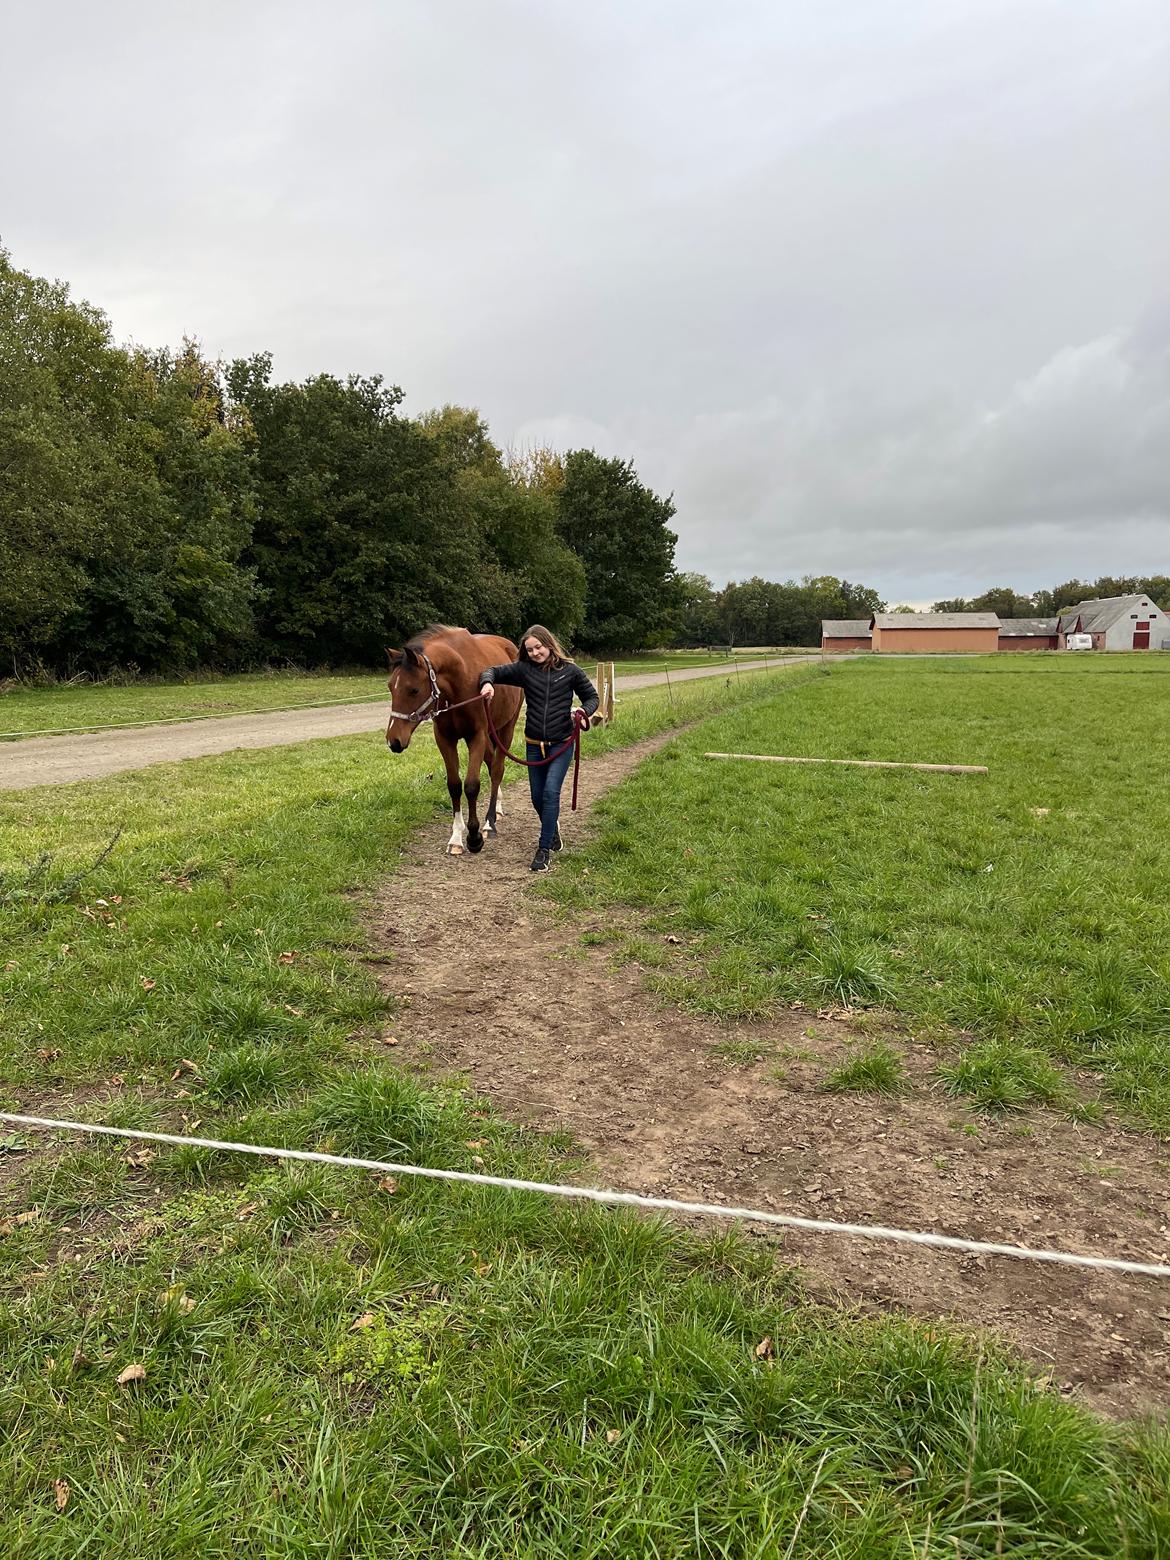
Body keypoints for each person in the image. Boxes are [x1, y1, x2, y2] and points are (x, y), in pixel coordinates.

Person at [479, 625, 599, 872]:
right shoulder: (523, 670)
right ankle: (551, 827)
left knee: (550, 793)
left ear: (549, 644)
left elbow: (592, 698)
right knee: (536, 797)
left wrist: (582, 711)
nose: (534, 653)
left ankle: (543, 850)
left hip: (561, 743)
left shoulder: (571, 671)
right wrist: (488, 683)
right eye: (529, 649)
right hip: (534, 744)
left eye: (538, 647)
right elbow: (490, 670)